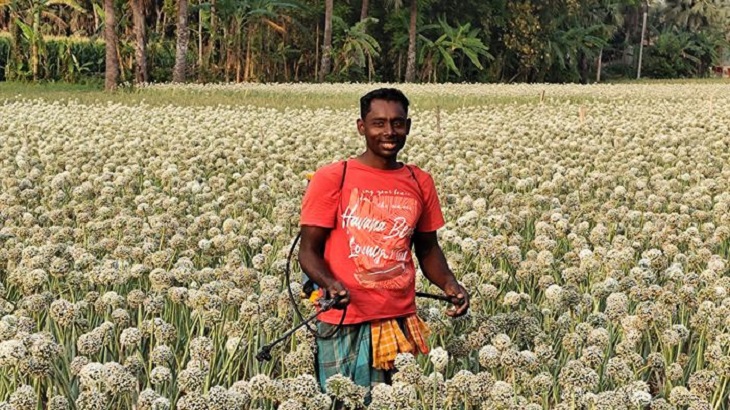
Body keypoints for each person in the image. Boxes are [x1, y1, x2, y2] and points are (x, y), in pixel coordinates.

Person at [298, 88, 469, 404]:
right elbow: (308, 251)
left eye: (397, 123)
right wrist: (330, 284)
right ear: (361, 126)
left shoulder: (420, 181)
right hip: (343, 320)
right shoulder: (333, 177)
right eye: (378, 123)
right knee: (340, 402)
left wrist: (449, 283)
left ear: (408, 125)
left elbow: (427, 248)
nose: (389, 132)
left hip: (398, 319)